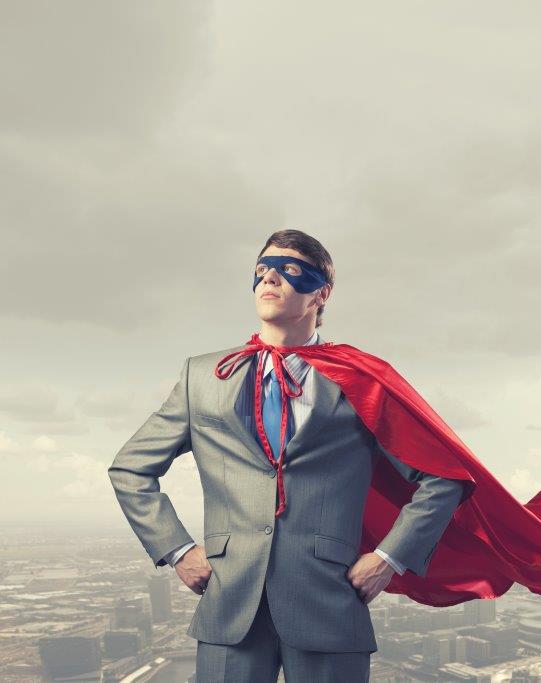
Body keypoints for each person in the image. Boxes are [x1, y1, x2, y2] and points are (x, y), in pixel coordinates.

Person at [107, 229, 465, 682]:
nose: (269, 279)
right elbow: (130, 468)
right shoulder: (203, 376)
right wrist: (177, 551)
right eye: (261, 271)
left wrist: (388, 559)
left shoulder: (363, 380)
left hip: (330, 603)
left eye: (289, 271)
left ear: (322, 292)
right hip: (228, 604)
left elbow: (443, 476)